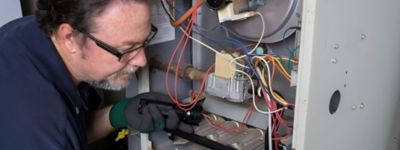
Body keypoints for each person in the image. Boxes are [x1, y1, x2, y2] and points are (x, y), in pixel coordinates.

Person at [0, 0, 181, 149]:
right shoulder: (37, 130)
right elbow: (58, 133)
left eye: (145, 41)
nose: (141, 61)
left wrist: (117, 114)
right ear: (70, 38)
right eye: (127, 49)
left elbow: (72, 129)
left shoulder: (30, 31)